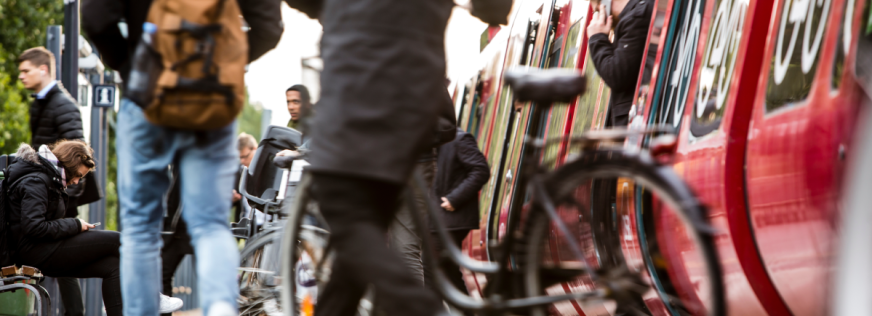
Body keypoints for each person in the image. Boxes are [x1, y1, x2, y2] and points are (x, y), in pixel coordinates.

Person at [81, 0, 283, 315]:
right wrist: (223, 66)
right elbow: (269, 27)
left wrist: (134, 69)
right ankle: (220, 308)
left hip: (148, 95)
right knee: (212, 224)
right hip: (212, 96)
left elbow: (96, 17)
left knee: (140, 226)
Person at [5, 141, 182, 316]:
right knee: (118, 240)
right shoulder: (37, 180)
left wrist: (75, 226)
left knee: (114, 266)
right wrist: (76, 224)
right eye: (78, 175)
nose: (76, 181)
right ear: (70, 164)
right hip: (34, 252)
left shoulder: (46, 178)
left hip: (42, 248)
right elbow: (34, 227)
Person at [18, 47, 88, 316]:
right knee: (57, 261)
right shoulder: (42, 103)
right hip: (44, 192)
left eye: (26, 70)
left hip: (57, 195)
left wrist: (67, 197)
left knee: (61, 260)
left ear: (43, 69)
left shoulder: (62, 105)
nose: (22, 76)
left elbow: (78, 153)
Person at [424, 128, 489, 315]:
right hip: (439, 219)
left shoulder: (459, 139)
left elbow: (480, 169)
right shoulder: (430, 141)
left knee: (431, 269)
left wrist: (455, 198)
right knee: (449, 273)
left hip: (451, 218)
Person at [587, 0, 654, 127]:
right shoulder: (634, 16)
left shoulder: (636, 17)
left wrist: (597, 38)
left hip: (634, 129)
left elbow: (616, 75)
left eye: (597, 10)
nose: (598, 16)